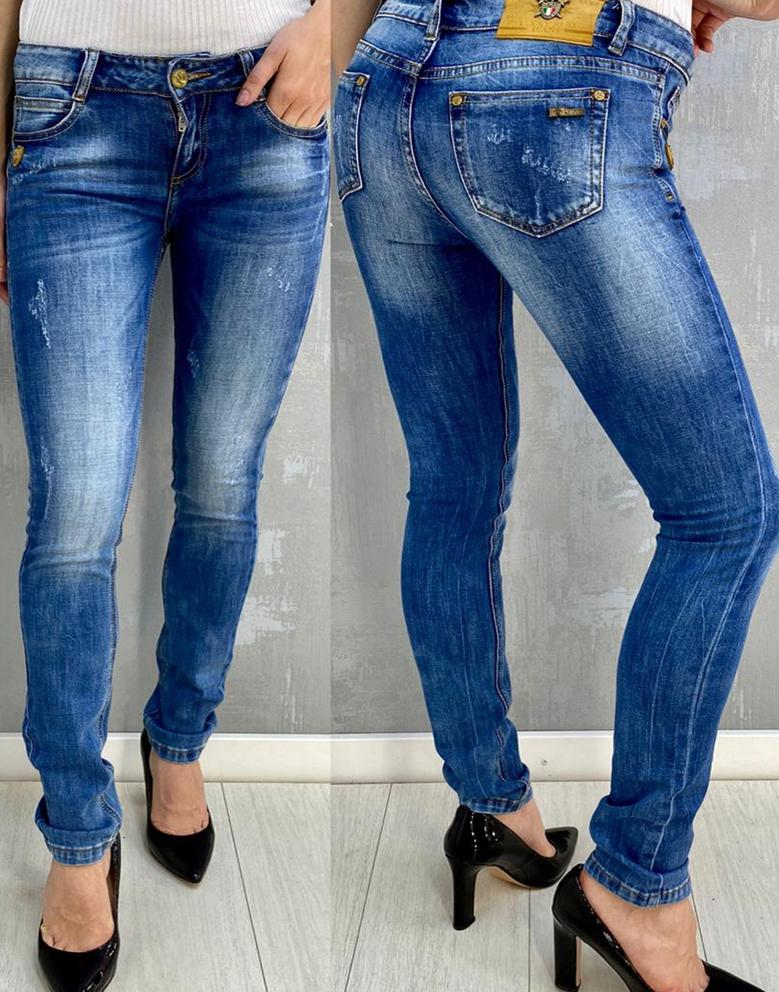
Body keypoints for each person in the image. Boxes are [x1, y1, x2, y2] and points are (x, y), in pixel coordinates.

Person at [333, 0, 778, 989]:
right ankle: (636, 888)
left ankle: (491, 807)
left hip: (378, 89)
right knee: (725, 517)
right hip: (552, 78)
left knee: (450, 487)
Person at [0, 0, 329, 989]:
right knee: (74, 514)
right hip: (73, 105)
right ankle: (77, 830)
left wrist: (333, 25)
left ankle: (178, 738)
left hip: (268, 105)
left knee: (222, 481)